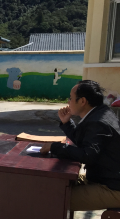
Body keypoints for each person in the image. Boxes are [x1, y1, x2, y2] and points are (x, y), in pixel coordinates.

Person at [40, 80, 120, 211]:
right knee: (56, 184)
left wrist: (55, 147)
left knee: (54, 198)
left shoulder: (98, 122)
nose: (68, 102)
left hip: (113, 187)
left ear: (82, 101)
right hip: (105, 177)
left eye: (71, 98)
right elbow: (86, 142)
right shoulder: (101, 112)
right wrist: (67, 123)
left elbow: (87, 155)